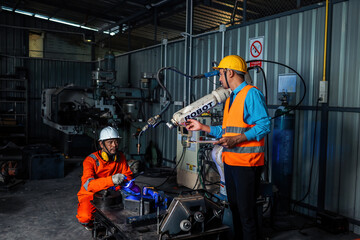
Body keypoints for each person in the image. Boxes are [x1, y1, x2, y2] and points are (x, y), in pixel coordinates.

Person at [186, 55, 271, 240]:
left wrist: (238, 139)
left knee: (246, 213)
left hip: (247, 164)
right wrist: (202, 127)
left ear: (230, 72)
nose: (219, 78)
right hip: (231, 162)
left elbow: (265, 125)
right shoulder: (232, 98)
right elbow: (226, 131)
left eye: (221, 74)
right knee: (235, 209)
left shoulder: (251, 94)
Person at [76, 126, 134, 230]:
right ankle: (90, 225)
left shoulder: (120, 157)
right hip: (92, 195)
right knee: (85, 217)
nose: (114, 145)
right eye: (110, 142)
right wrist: (112, 180)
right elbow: (88, 185)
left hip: (113, 193)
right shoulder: (90, 160)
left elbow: (128, 176)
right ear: (101, 144)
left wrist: (123, 183)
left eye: (116, 142)